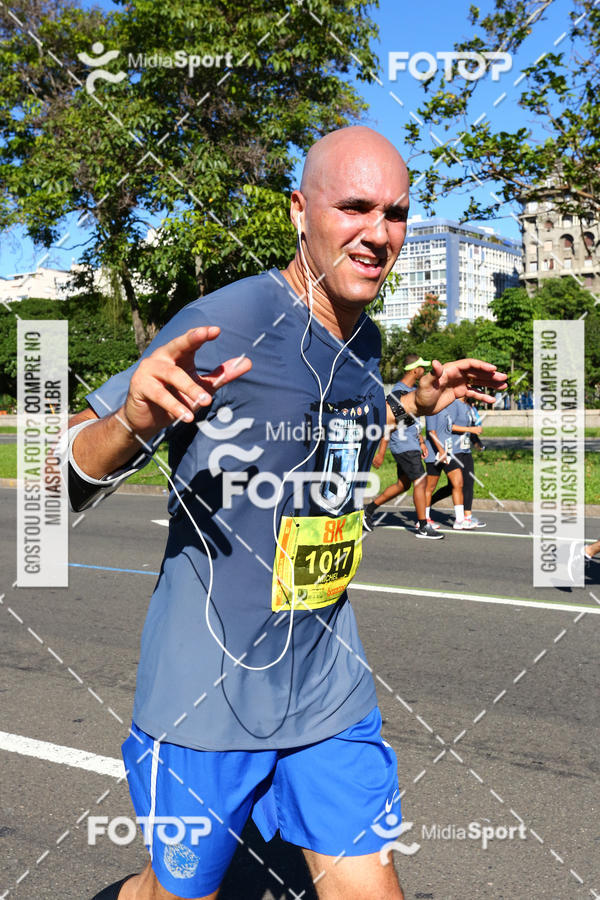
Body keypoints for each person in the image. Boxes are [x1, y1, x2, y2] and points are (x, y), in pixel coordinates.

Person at [61, 126, 506, 900]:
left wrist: (415, 402)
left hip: (328, 679)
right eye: (356, 207)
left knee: (371, 888)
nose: (380, 234)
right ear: (300, 210)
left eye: (396, 213)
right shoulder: (226, 320)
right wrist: (133, 421)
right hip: (209, 690)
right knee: (175, 893)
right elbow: (54, 480)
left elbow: (337, 423)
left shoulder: (363, 336)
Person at [363, 355, 443, 539]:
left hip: (412, 443)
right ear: (415, 370)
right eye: (422, 368)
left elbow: (411, 421)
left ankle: (368, 509)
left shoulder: (413, 391)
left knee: (403, 484)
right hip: (403, 445)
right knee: (420, 481)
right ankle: (423, 525)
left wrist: (421, 441)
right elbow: (389, 424)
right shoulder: (399, 392)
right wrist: (381, 451)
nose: (424, 371)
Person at [429, 396, 486, 529]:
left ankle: (467, 517)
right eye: (468, 385)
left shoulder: (467, 406)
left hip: (465, 450)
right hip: (455, 449)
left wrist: (477, 442)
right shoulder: (453, 404)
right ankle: (464, 517)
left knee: (465, 483)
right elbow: (451, 426)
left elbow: (469, 426)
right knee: (458, 484)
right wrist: (471, 430)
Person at [423, 399, 466, 530]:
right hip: (434, 454)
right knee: (430, 487)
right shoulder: (432, 408)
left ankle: (460, 520)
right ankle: (424, 519)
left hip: (448, 452)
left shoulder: (448, 409)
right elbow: (431, 432)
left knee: (458, 482)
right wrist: (441, 451)